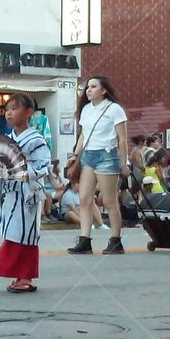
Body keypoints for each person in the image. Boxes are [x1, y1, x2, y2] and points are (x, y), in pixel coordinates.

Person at [0, 93, 50, 293]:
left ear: (29, 112)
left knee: (26, 236)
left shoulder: (36, 140)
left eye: (15, 108)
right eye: (7, 109)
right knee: (14, 234)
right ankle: (21, 275)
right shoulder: (4, 141)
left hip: (27, 194)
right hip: (9, 195)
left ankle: (25, 277)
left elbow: (43, 167)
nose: (9, 113)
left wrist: (18, 172)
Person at [66, 76, 130, 255]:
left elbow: (122, 139)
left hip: (107, 155)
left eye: (93, 87)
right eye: (88, 87)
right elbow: (83, 136)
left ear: (104, 90)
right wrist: (75, 155)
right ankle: (84, 240)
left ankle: (115, 240)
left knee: (109, 200)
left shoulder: (114, 109)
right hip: (88, 155)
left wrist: (124, 163)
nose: (88, 90)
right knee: (85, 198)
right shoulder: (86, 109)